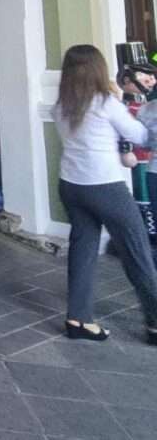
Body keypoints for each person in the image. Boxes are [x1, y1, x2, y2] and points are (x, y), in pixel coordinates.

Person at [53, 44, 157, 343]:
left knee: (83, 249)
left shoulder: (61, 105)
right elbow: (139, 135)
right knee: (136, 251)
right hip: (106, 186)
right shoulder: (105, 103)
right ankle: (155, 321)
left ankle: (78, 319)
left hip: (71, 185)